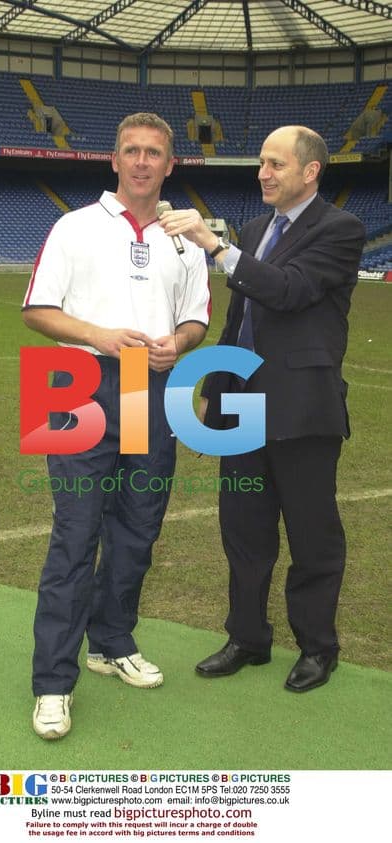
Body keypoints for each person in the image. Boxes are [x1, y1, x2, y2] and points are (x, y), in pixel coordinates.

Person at [157, 125, 366, 693]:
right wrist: (215, 385)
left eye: (276, 164)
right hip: (242, 406)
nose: (263, 174)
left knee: (312, 535)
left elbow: (289, 290)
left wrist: (216, 246)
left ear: (310, 171)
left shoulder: (340, 229)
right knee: (243, 531)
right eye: (262, 163)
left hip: (302, 409)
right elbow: (239, 321)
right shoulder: (255, 229)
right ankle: (247, 638)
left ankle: (318, 647)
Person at [22, 112, 210, 739]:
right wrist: (99, 336)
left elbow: (196, 319)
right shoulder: (74, 226)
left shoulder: (185, 239)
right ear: (114, 159)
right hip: (77, 381)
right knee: (75, 532)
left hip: (148, 385)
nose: (141, 161)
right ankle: (53, 682)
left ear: (169, 164)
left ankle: (111, 641)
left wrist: (178, 344)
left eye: (153, 152)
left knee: (137, 529)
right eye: (131, 150)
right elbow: (37, 310)